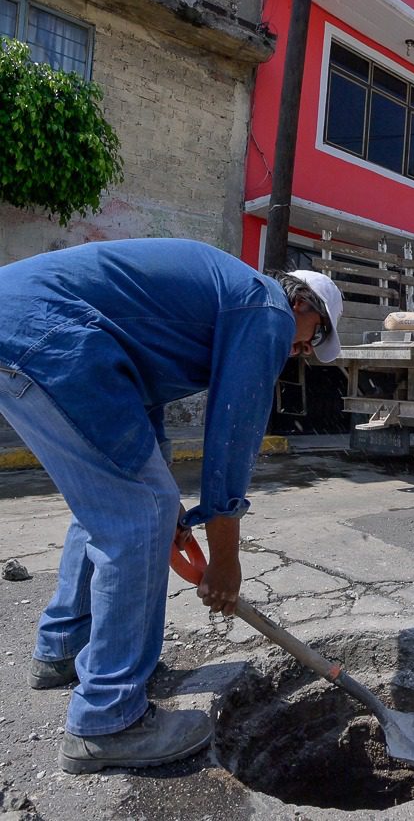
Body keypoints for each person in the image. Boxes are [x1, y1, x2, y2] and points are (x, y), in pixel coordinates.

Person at [0, 238, 343, 774]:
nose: (300, 352)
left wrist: (175, 512)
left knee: (119, 499)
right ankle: (108, 718)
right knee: (139, 513)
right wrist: (224, 559)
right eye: (312, 340)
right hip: (52, 337)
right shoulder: (267, 308)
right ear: (304, 306)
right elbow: (232, 438)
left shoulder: (215, 298)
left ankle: (65, 645)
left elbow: (145, 407)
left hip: (25, 327)